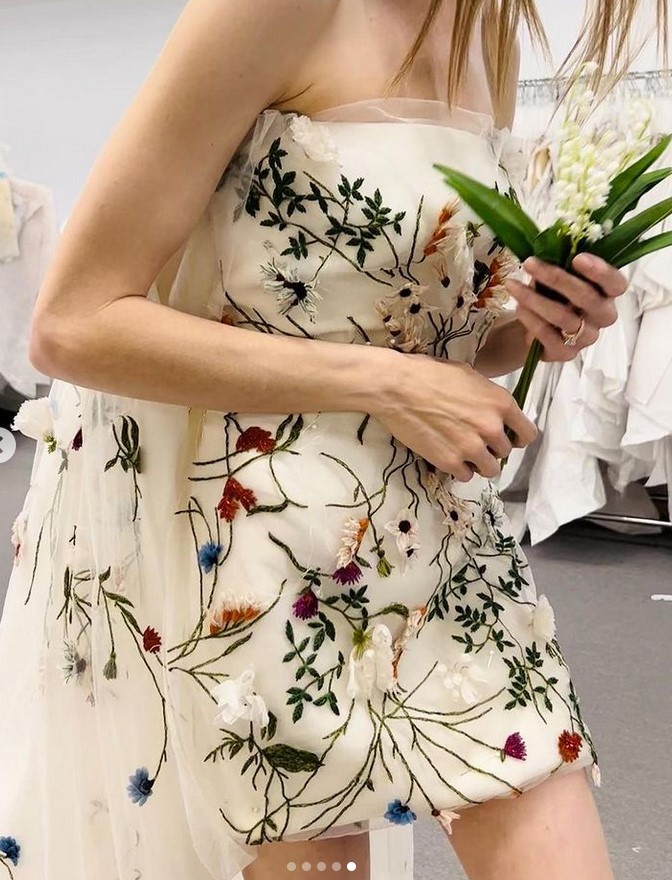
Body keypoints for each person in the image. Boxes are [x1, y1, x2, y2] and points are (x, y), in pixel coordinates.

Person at [0, 1, 665, 879]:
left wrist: (537, 325)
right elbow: (74, 324)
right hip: (269, 560)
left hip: (447, 542)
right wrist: (386, 383)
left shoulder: (483, 31)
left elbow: (431, 331)